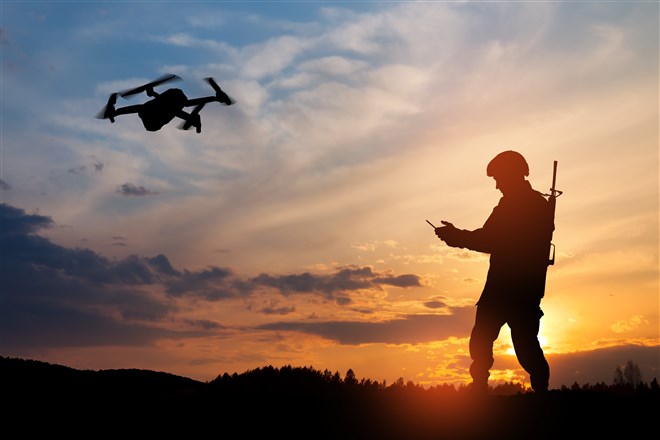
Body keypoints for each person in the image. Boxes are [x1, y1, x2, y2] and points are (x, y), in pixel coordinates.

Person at [434, 150, 553, 394]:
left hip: (516, 291)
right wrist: (457, 236)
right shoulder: (515, 204)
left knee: (525, 348)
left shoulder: (527, 205)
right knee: (484, 340)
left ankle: (540, 395)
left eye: (499, 178)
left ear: (512, 175)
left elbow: (490, 239)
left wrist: (456, 236)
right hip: (506, 289)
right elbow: (490, 238)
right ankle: (481, 390)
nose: (497, 185)